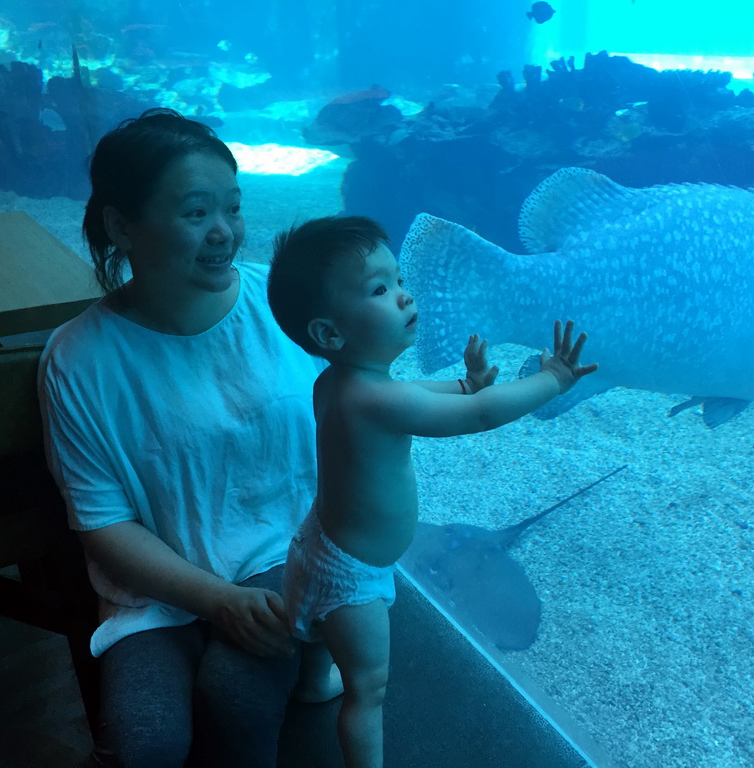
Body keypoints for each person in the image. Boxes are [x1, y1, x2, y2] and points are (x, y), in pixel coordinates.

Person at [37, 108, 336, 768]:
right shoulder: (78, 357)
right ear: (122, 226)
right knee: (147, 741)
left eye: (232, 207)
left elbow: (363, 406)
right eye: (197, 212)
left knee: (237, 699)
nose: (225, 232)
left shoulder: (281, 302)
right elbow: (104, 524)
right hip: (152, 592)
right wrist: (216, 602)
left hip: (285, 551)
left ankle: (311, 658)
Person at [265, 215, 598, 768]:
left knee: (321, 641)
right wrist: (552, 380)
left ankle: (310, 685)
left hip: (319, 546)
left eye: (397, 280)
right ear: (329, 333)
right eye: (379, 289)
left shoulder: (343, 381)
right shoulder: (377, 402)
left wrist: (463, 381)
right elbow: (482, 414)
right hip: (352, 577)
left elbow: (418, 390)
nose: (402, 296)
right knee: (367, 690)